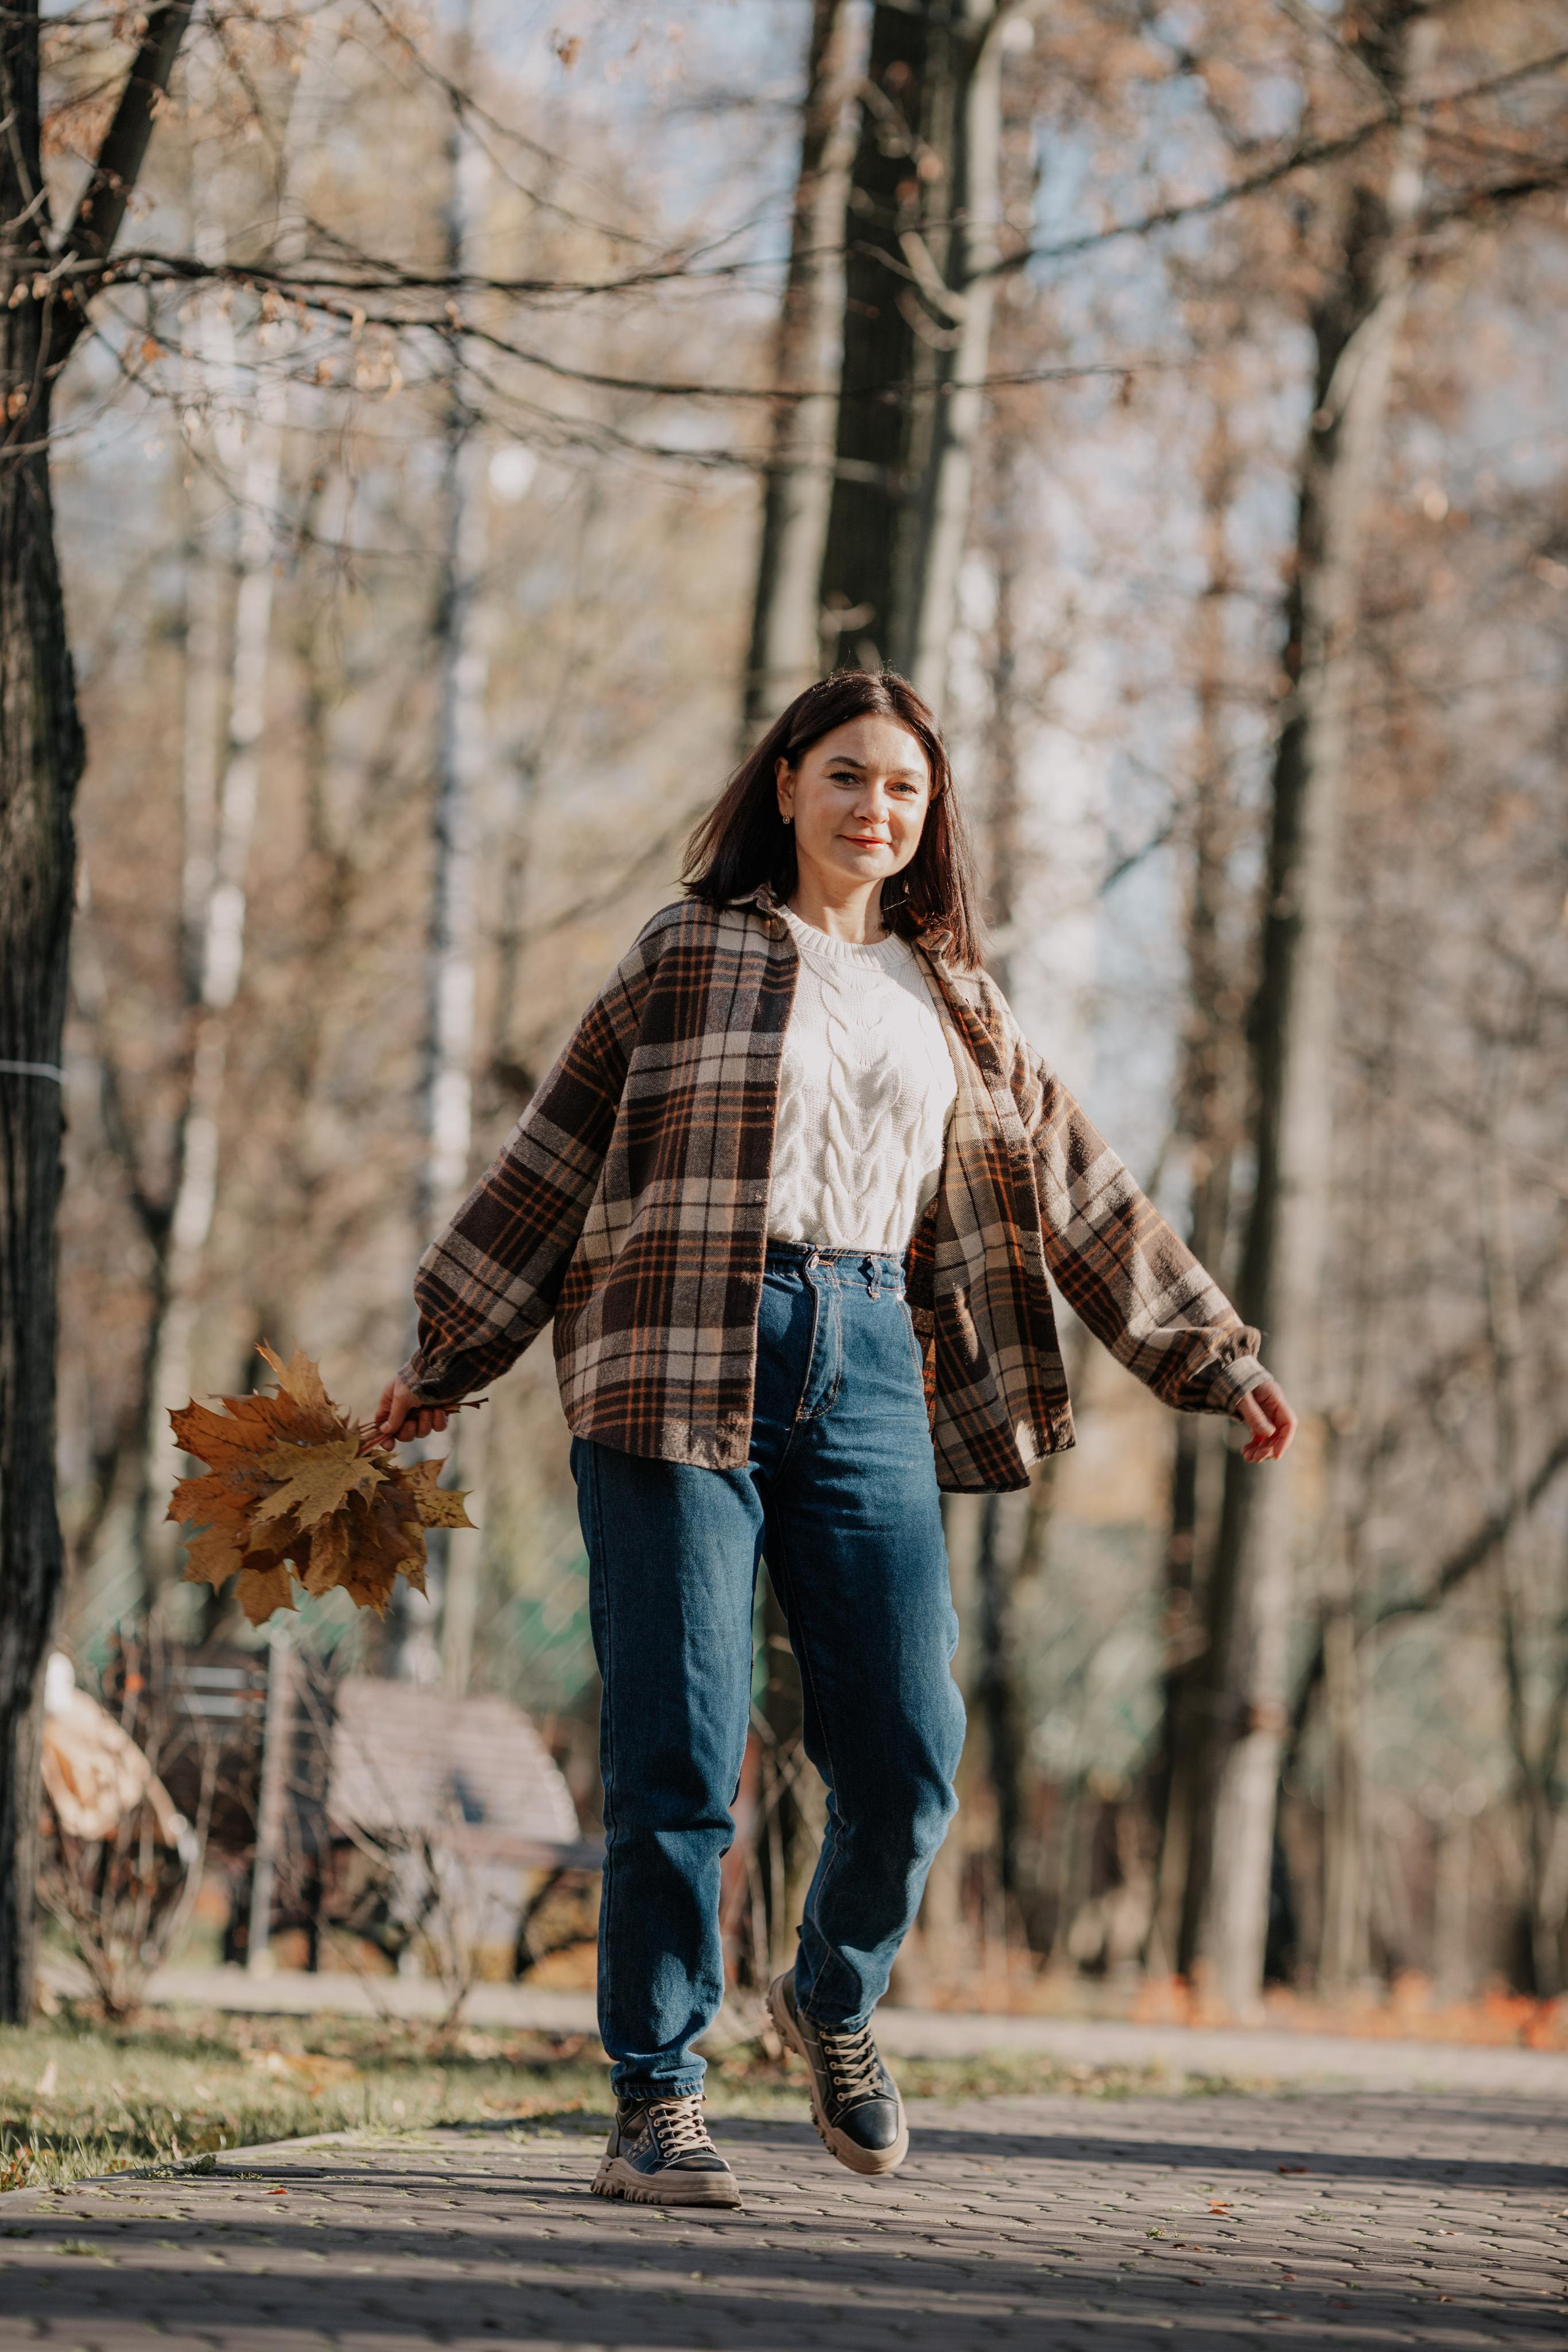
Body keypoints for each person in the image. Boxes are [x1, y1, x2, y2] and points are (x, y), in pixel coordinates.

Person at [374, 669, 1295, 2211]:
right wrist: (445, 1351)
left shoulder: (957, 1001)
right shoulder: (691, 952)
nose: (876, 809)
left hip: (870, 1360)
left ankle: (829, 1994)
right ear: (787, 783)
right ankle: (656, 2098)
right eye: (848, 777)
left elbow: (1081, 1189)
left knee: (911, 1757)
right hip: (676, 1355)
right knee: (678, 1754)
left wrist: (1212, 1355)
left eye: (906, 791)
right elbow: (550, 1159)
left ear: (929, 823)